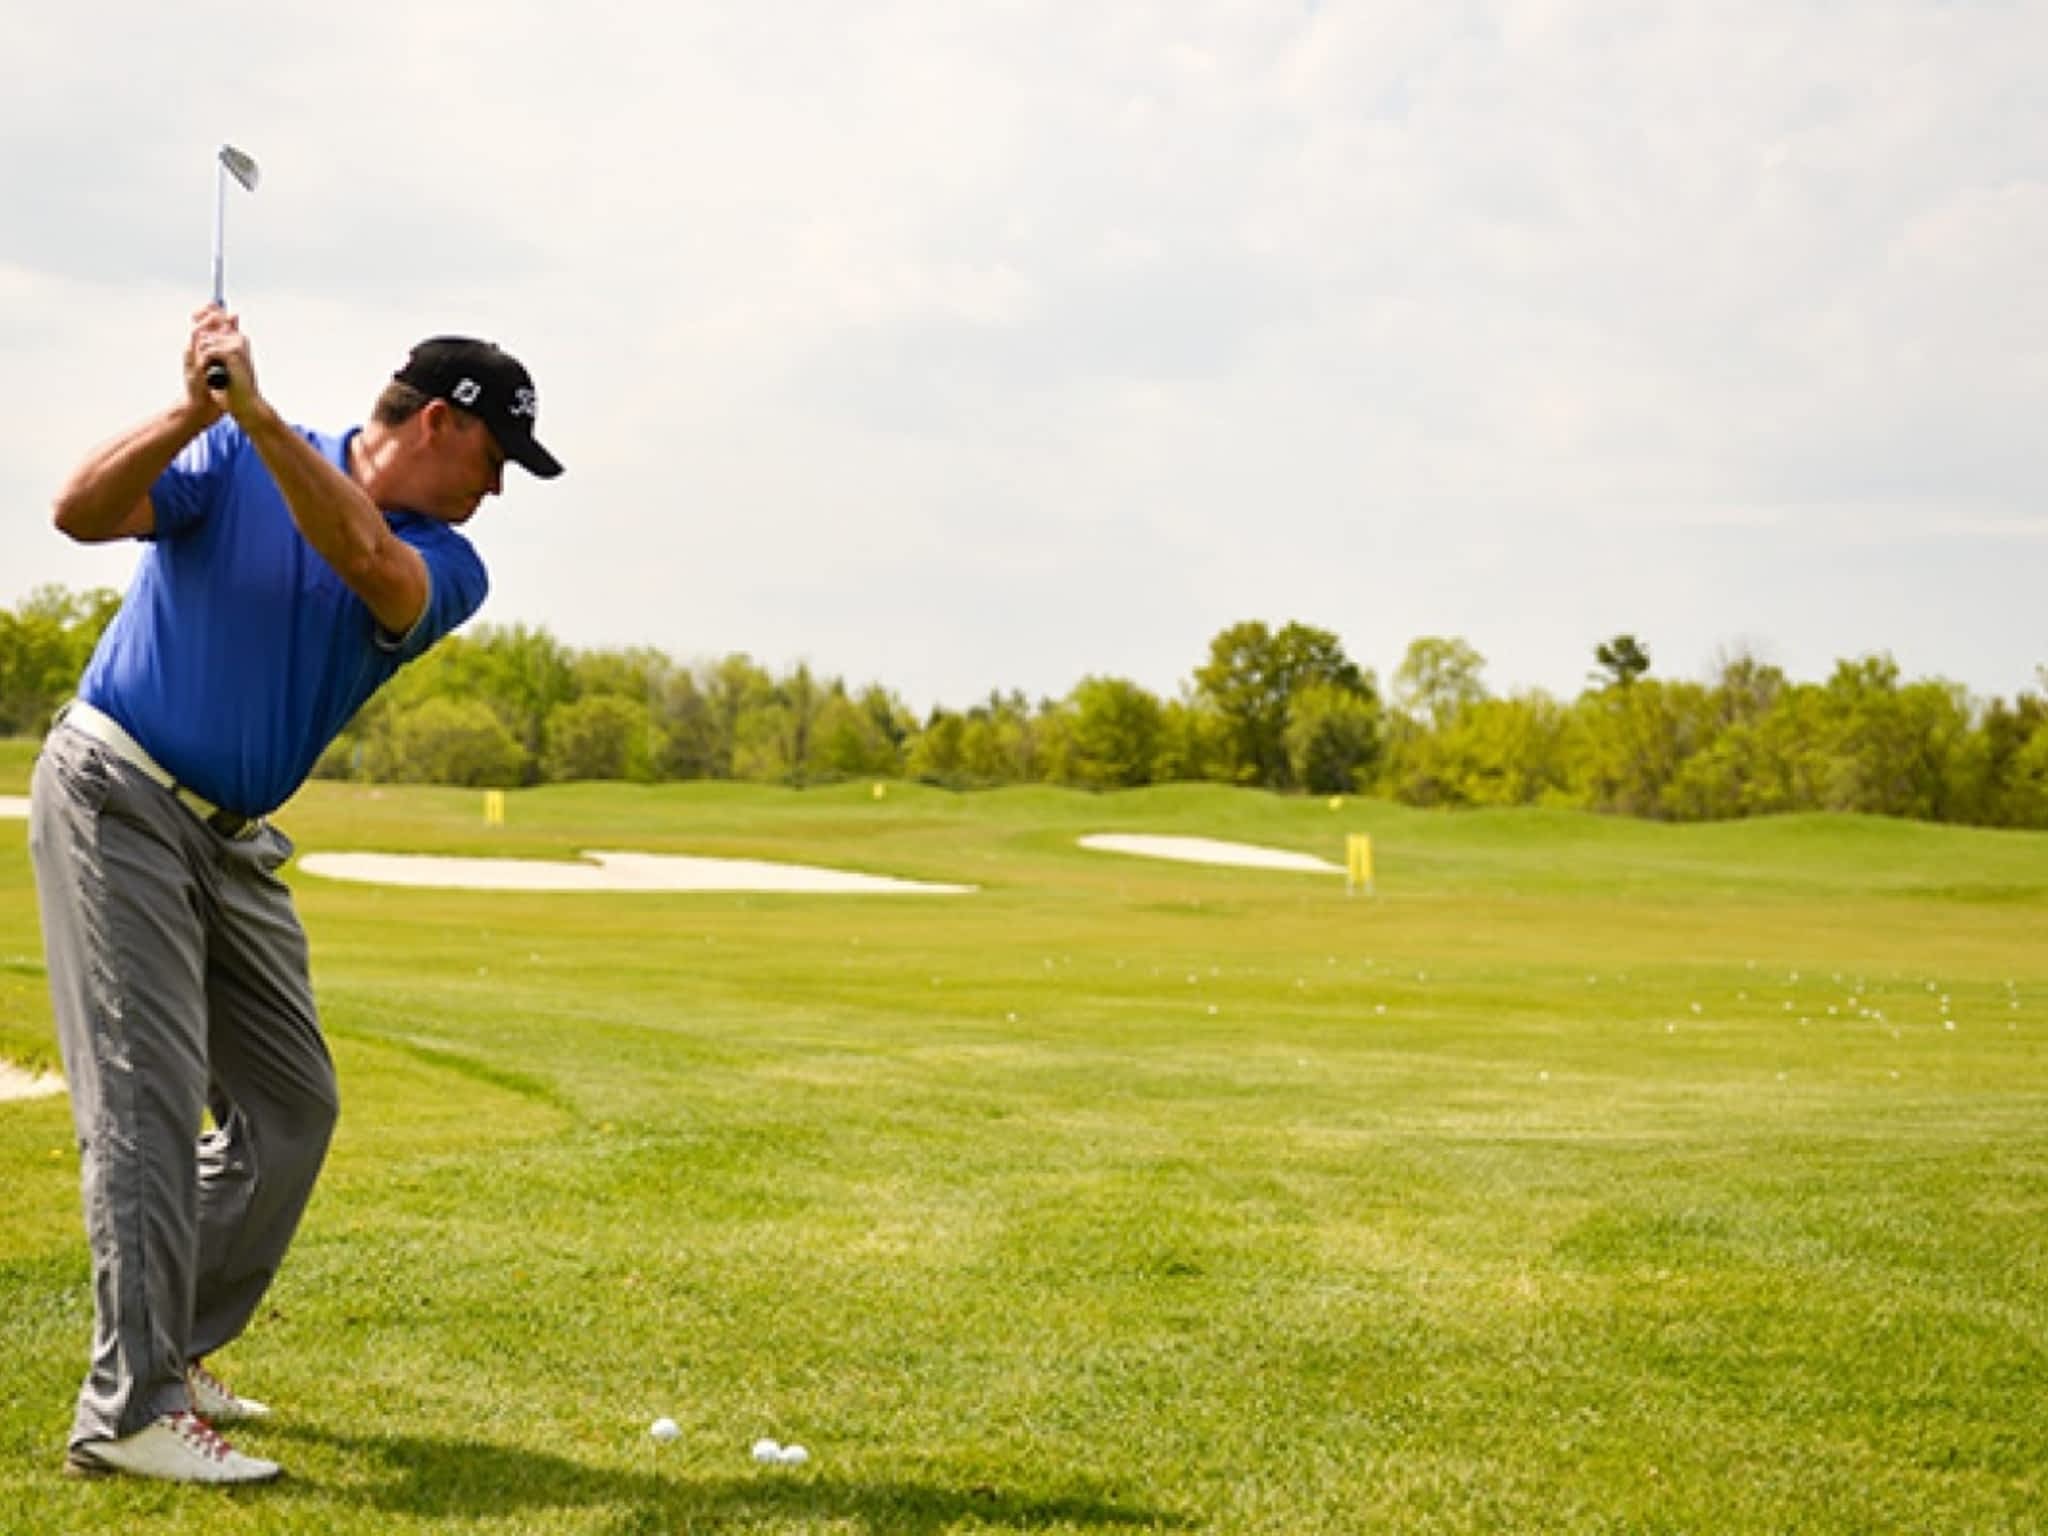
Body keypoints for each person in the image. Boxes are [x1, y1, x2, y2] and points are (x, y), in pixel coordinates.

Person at [29, 307, 563, 1483]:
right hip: (118, 792)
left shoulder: (449, 562)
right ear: (437, 420)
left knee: (291, 1108)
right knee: (147, 1104)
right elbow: (75, 513)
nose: (499, 490)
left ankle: (176, 1344)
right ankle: (131, 1413)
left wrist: (262, 422)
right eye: (496, 460)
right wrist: (194, 412)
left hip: (232, 844)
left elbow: (371, 567)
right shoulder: (224, 454)